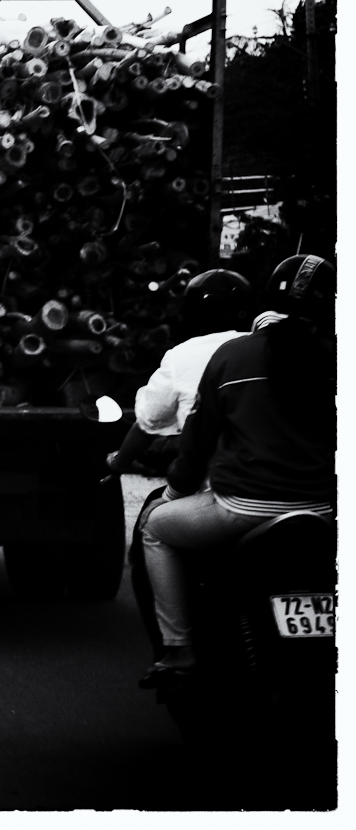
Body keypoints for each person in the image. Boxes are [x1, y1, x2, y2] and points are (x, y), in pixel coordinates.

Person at [136, 255, 336, 686]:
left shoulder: (234, 357)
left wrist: (174, 493)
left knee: (154, 527)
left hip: (242, 508)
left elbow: (197, 442)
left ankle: (180, 650)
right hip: (327, 511)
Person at [106, 269, 253, 476]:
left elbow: (148, 422)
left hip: (224, 486)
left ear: (192, 314)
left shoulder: (182, 356)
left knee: (154, 509)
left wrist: (119, 463)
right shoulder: (269, 349)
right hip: (285, 477)